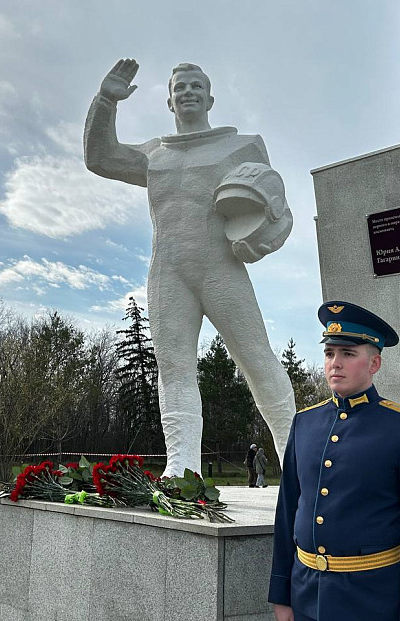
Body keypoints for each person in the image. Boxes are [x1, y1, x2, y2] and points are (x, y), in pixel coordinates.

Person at [84, 59, 296, 476]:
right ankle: (182, 468)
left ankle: (296, 460)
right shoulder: (155, 154)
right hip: (168, 272)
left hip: (220, 268)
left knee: (256, 358)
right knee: (175, 368)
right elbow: (100, 158)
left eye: (196, 85)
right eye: (180, 87)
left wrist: (262, 239)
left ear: (210, 96)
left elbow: (276, 208)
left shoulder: (242, 146)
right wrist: (106, 100)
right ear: (168, 100)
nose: (188, 92)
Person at [268, 301, 400, 621]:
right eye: (329, 353)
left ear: (374, 363)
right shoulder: (304, 423)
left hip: (372, 600)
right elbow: (287, 512)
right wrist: (281, 594)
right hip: (306, 594)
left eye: (348, 354)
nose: (335, 363)